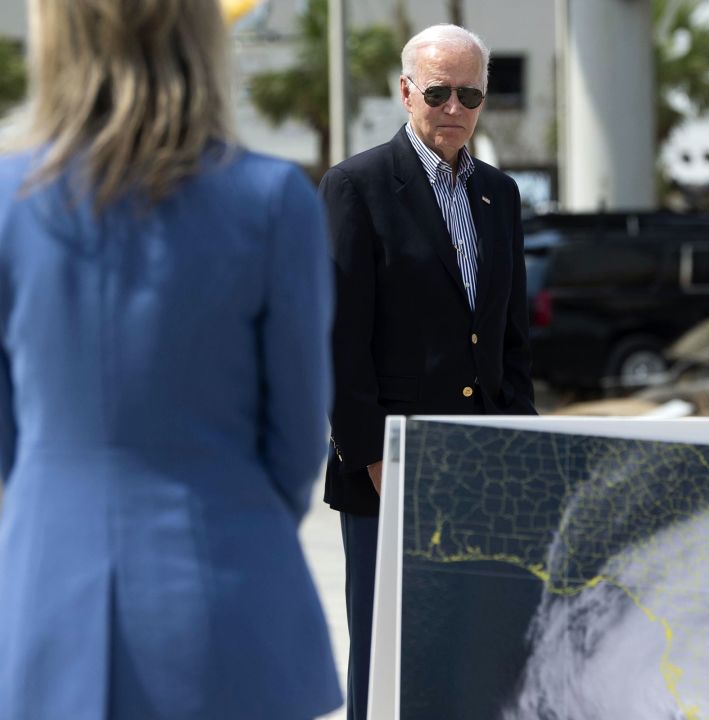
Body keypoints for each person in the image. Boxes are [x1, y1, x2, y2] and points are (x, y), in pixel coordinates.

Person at [0, 1, 342, 718]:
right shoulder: (274, 201)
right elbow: (297, 443)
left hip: (42, 596)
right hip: (228, 585)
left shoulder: (7, 204)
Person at [318, 23, 536, 720]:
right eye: (437, 91)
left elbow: (510, 334)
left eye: (468, 94)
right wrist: (374, 458)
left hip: (486, 463)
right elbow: (339, 338)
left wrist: (523, 446)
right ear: (406, 92)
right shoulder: (357, 186)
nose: (453, 107)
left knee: (478, 653)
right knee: (387, 656)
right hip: (392, 469)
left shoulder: (499, 194)